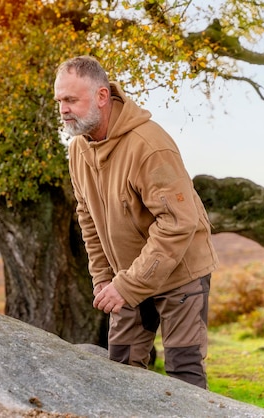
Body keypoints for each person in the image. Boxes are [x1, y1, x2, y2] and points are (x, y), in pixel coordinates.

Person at [53, 56, 219, 389]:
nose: (63, 109)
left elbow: (177, 223)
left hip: (181, 275)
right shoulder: (77, 150)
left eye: (71, 100)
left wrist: (126, 285)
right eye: (59, 101)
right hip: (125, 276)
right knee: (121, 369)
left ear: (102, 96)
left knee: (184, 374)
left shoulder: (149, 145)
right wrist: (102, 277)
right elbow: (87, 216)